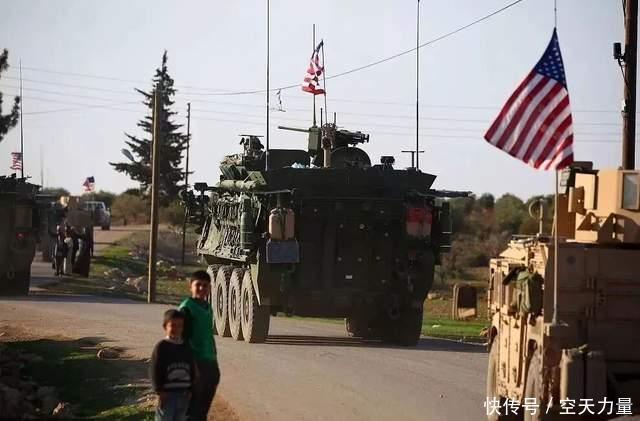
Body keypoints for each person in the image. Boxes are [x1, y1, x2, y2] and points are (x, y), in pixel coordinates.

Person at [179, 270, 220, 421]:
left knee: (203, 410)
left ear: (209, 288)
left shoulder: (207, 307)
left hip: (209, 363)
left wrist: (214, 360)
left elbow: (208, 335)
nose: (202, 288)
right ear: (191, 286)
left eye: (205, 285)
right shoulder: (186, 308)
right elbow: (182, 340)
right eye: (198, 285)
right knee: (191, 410)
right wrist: (191, 367)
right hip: (195, 364)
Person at [150, 309, 195, 421]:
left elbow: (192, 368)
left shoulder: (186, 346)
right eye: (173, 325)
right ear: (165, 327)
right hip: (167, 395)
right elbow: (154, 370)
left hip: (184, 394)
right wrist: (159, 391)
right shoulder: (162, 347)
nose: (176, 329)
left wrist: (191, 389)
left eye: (180, 326)